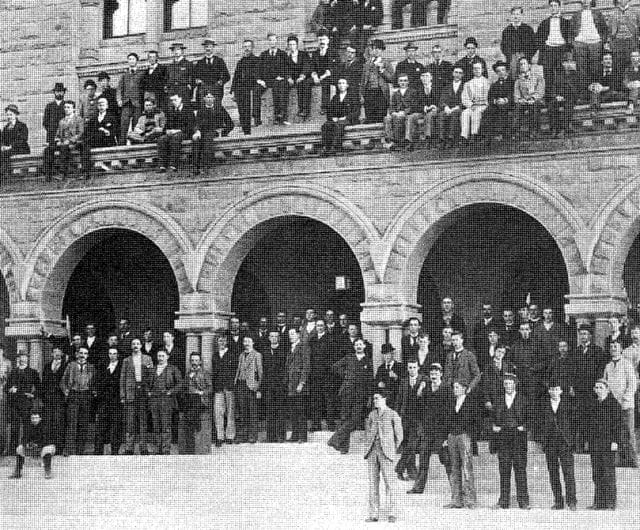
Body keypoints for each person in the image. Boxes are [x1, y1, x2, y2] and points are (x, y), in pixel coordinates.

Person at [408, 363, 452, 494]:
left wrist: (447, 434)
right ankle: (418, 487)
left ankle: (455, 488)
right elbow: (419, 407)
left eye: (436, 373)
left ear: (441, 374)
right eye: (431, 374)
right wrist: (419, 391)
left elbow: (450, 412)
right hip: (427, 430)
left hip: (441, 431)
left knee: (446, 460)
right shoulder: (426, 389)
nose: (433, 376)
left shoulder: (446, 389)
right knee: (423, 459)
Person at [491, 373, 530, 510]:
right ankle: (504, 501)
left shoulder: (523, 399)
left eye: (510, 383)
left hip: (518, 437)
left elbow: (530, 417)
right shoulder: (499, 400)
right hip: (503, 437)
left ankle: (523, 501)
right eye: (505, 383)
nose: (508, 386)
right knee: (504, 469)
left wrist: (524, 427)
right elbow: (492, 418)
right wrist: (494, 427)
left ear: (515, 384)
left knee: (520, 469)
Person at [364, 390, 403, 524]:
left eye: (378, 398)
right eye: (374, 399)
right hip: (372, 452)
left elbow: (399, 436)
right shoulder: (371, 415)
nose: (375, 401)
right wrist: (369, 446)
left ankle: (392, 513)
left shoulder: (393, 414)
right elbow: (368, 431)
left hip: (386, 452)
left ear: (385, 399)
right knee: (373, 484)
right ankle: (373, 514)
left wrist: (391, 448)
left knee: (390, 484)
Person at [328, 337, 373, 454]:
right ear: (354, 347)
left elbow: (370, 380)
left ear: (364, 346)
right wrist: (346, 375)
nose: (358, 346)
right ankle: (343, 447)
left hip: (360, 394)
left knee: (354, 419)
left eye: (360, 344)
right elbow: (334, 367)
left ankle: (335, 439)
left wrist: (369, 397)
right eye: (356, 344)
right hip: (347, 392)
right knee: (345, 418)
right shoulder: (349, 358)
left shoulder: (368, 361)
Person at [541, 381, 578, 510]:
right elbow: (538, 424)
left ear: (561, 391)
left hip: (565, 443)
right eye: (551, 389)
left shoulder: (568, 405)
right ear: (549, 391)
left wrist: (572, 440)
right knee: (553, 473)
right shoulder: (544, 405)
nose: (554, 392)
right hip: (550, 443)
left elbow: (575, 424)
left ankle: (571, 501)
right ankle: (558, 501)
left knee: (568, 473)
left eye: (556, 389)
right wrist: (543, 441)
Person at [588, 379, 623, 510]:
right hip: (595, 443)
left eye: (601, 387)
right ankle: (598, 502)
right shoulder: (594, 404)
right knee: (597, 473)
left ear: (607, 389)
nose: (598, 390)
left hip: (608, 443)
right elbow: (589, 424)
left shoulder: (614, 405)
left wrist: (615, 441)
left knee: (608, 473)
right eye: (596, 387)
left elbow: (618, 425)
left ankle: (610, 503)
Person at [603, 341, 637, 467]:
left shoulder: (627, 364)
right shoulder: (608, 366)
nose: (613, 349)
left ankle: (632, 460)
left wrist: (625, 398)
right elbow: (605, 384)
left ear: (621, 349)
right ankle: (618, 460)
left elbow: (632, 384)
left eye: (616, 347)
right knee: (616, 432)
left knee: (628, 432)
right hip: (613, 405)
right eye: (611, 347)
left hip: (626, 405)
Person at [445, 380, 478, 509]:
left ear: (464, 388)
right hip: (452, 436)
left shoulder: (470, 403)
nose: (455, 389)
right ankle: (456, 500)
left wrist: (470, 435)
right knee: (454, 468)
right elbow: (446, 420)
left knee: (466, 468)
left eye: (457, 387)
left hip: (464, 436)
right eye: (454, 387)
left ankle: (470, 499)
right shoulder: (452, 403)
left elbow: (476, 421)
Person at [60, 348, 96, 456]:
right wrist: (66, 391)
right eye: (81, 353)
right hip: (74, 394)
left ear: (88, 356)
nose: (82, 355)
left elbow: (95, 381)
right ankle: (69, 450)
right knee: (72, 422)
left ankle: (80, 450)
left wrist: (93, 392)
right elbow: (63, 381)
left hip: (85, 396)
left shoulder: (91, 367)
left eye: (85, 353)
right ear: (77, 354)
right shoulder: (71, 366)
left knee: (83, 423)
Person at [120, 338, 153, 455]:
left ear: (141, 345)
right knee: (130, 421)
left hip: (143, 392)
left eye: (138, 344)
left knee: (143, 421)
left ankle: (143, 448)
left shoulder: (147, 359)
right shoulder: (126, 360)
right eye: (133, 344)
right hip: (130, 393)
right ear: (131, 346)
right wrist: (123, 395)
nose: (135, 346)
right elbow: (122, 378)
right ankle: (129, 448)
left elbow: (151, 376)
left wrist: (150, 391)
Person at [395, 359, 426, 481]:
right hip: (405, 417)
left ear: (418, 368)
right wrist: (397, 416)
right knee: (408, 445)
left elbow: (428, 382)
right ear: (407, 369)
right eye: (410, 368)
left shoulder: (424, 380)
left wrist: (422, 385)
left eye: (414, 367)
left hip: (418, 418)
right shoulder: (403, 382)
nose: (412, 370)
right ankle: (412, 472)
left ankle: (399, 468)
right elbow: (399, 399)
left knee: (412, 445)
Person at [570, 0, 608, 99]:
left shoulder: (597, 14)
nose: (585, 2)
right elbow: (570, 31)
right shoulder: (576, 15)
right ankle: (584, 94)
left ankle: (596, 94)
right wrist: (574, 43)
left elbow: (604, 29)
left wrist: (601, 41)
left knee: (596, 67)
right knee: (582, 68)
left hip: (595, 42)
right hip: (580, 43)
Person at [191, 89, 234, 174]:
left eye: (211, 97)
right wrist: (197, 131)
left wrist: (223, 132)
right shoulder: (201, 110)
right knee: (196, 140)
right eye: (207, 97)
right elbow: (196, 123)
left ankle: (205, 165)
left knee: (207, 139)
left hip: (214, 131)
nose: (209, 99)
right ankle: (195, 166)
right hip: (203, 131)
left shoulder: (220, 109)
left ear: (214, 99)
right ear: (204, 99)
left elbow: (230, 124)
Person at [148, 349, 182, 455]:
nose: (160, 358)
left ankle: (166, 449)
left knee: (166, 425)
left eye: (162, 356)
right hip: (154, 400)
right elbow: (146, 383)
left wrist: (171, 392)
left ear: (167, 356)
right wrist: (148, 392)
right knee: (156, 424)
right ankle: (157, 448)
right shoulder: (153, 369)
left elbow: (180, 383)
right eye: (159, 356)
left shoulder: (173, 369)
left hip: (167, 400)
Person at [537, 0, 572, 101]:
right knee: (548, 73)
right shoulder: (544, 23)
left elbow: (570, 37)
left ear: (559, 7)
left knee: (561, 73)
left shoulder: (566, 22)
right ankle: (550, 97)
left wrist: (567, 49)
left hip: (562, 49)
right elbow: (538, 38)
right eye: (551, 6)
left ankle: (562, 95)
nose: (553, 8)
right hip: (548, 49)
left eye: (555, 5)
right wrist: (543, 47)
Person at [7, 352, 41, 454]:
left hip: (26, 403)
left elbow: (39, 387)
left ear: (27, 359)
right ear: (18, 359)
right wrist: (10, 389)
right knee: (14, 426)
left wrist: (33, 395)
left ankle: (25, 448)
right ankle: (13, 450)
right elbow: (6, 387)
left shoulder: (33, 372)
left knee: (27, 426)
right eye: (20, 357)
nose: (22, 359)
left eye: (24, 357)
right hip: (15, 403)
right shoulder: (13, 372)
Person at [8, 407, 56, 480]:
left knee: (47, 449)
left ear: (40, 418)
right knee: (19, 448)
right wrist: (25, 444)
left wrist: (37, 444)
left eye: (36, 418)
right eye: (32, 418)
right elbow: (24, 438)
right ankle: (17, 472)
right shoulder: (28, 426)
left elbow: (47, 440)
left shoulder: (46, 426)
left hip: (45, 446)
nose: (34, 420)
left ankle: (48, 471)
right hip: (33, 447)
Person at [94, 347, 123, 455]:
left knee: (115, 426)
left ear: (118, 355)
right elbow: (97, 381)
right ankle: (98, 451)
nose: (112, 356)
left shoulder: (122, 367)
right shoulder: (103, 366)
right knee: (101, 426)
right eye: (110, 353)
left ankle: (115, 451)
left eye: (114, 353)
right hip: (104, 401)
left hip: (116, 401)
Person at [156, 92, 195, 173]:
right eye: (172, 100)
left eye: (175, 100)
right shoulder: (171, 110)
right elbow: (167, 125)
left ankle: (173, 165)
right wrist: (167, 131)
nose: (174, 102)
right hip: (173, 133)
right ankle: (162, 165)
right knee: (162, 139)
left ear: (181, 99)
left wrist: (177, 131)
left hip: (185, 132)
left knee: (175, 138)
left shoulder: (188, 110)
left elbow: (190, 126)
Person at [182, 352, 212, 454]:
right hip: (190, 399)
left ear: (200, 361)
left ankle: (194, 446)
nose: (194, 362)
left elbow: (210, 387)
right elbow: (185, 386)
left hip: (200, 399)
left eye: (196, 360)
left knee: (191, 416)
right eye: (192, 360)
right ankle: (190, 447)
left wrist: (201, 392)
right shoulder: (188, 373)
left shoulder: (205, 373)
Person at [234, 336, 263, 444]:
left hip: (251, 386)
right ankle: (243, 435)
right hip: (241, 385)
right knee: (242, 412)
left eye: (248, 341)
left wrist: (258, 388)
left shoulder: (257, 355)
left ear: (253, 342)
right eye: (244, 341)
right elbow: (239, 369)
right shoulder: (241, 355)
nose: (246, 343)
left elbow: (260, 372)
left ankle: (252, 436)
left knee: (252, 412)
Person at [257, 33, 289, 125]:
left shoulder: (282, 54)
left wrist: (282, 76)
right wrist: (259, 80)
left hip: (280, 79)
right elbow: (258, 69)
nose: (272, 42)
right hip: (268, 80)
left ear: (277, 41)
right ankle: (258, 118)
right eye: (270, 40)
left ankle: (280, 114)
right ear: (268, 42)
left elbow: (287, 67)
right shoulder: (263, 55)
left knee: (280, 87)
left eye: (274, 40)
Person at [231, 39, 263, 134]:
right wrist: (233, 90)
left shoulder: (257, 60)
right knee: (242, 112)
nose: (247, 49)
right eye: (245, 47)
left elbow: (258, 75)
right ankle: (245, 130)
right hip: (240, 90)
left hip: (251, 88)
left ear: (252, 48)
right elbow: (236, 77)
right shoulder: (240, 62)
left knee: (249, 110)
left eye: (248, 46)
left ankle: (250, 129)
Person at [384, 73, 421, 151]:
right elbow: (392, 106)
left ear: (408, 82)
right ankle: (390, 140)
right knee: (387, 118)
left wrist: (404, 112)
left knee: (402, 118)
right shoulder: (395, 93)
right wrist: (393, 112)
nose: (403, 83)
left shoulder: (413, 92)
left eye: (405, 81)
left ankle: (403, 142)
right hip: (397, 114)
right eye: (401, 81)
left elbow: (414, 106)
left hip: (408, 113)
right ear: (398, 82)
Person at [211, 334, 237, 446]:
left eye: (223, 341)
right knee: (218, 412)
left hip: (229, 387)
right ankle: (219, 436)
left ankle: (230, 436)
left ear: (226, 342)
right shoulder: (215, 356)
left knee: (230, 412)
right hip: (218, 387)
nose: (221, 343)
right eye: (219, 341)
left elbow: (235, 371)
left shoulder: (232, 355)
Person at [361, 39, 394, 124]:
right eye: (374, 48)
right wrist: (361, 94)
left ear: (382, 50)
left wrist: (382, 71)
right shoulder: (367, 64)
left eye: (378, 49)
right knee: (370, 118)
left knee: (380, 118)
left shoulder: (386, 63)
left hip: (381, 93)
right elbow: (363, 80)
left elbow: (392, 79)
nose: (376, 51)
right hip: (369, 93)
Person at [49, 100, 85, 179]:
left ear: (74, 109)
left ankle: (62, 173)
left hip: (74, 143)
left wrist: (70, 140)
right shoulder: (62, 121)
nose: (66, 109)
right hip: (63, 143)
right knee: (48, 149)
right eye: (65, 107)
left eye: (68, 107)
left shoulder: (79, 119)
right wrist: (57, 140)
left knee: (64, 147)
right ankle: (48, 173)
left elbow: (80, 133)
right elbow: (58, 134)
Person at [286, 328, 310, 443]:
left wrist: (302, 382)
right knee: (293, 411)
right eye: (289, 334)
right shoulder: (291, 348)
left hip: (299, 385)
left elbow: (306, 366)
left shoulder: (303, 346)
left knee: (301, 411)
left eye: (292, 334)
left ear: (298, 335)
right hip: (291, 384)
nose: (290, 336)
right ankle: (295, 435)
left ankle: (302, 436)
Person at [262, 330, 287, 443]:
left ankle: (281, 436)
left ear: (279, 338)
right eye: (271, 336)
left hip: (280, 385)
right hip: (268, 386)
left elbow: (286, 369)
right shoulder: (265, 351)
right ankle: (270, 437)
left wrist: (284, 383)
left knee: (281, 410)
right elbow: (262, 370)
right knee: (270, 410)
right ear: (268, 338)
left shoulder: (284, 351)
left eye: (276, 336)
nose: (274, 338)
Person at [40, 347, 67, 452]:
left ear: (62, 353)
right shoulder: (47, 366)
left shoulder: (66, 366)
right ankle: (48, 447)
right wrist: (44, 396)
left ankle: (59, 448)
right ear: (51, 354)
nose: (57, 354)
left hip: (60, 399)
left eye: (59, 351)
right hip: (48, 399)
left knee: (59, 422)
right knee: (48, 423)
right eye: (54, 352)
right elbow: (44, 383)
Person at [514, 56, 545, 140]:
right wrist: (520, 99)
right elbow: (516, 93)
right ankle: (516, 131)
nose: (522, 66)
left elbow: (540, 90)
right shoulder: (518, 81)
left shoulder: (538, 77)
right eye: (520, 65)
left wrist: (533, 98)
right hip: (524, 101)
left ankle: (533, 131)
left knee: (534, 107)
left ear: (529, 66)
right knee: (517, 107)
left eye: (524, 64)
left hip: (536, 100)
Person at [501, 7, 537, 78]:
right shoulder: (506, 31)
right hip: (512, 58)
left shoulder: (528, 29)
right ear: (511, 16)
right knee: (513, 78)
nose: (516, 16)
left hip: (525, 57)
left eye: (518, 14)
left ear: (521, 15)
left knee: (526, 78)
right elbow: (503, 46)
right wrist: (510, 57)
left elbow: (534, 45)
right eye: (513, 14)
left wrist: (528, 57)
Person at [483, 61, 514, 144]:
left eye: (503, 70)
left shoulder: (512, 82)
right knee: (488, 110)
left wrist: (505, 100)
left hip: (509, 104)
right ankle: (489, 135)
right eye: (498, 71)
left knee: (503, 109)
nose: (501, 73)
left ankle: (502, 134)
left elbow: (514, 94)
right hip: (496, 104)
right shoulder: (494, 85)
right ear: (496, 73)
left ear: (506, 71)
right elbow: (490, 97)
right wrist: (496, 101)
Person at [460, 61, 491, 145]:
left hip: (484, 105)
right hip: (473, 105)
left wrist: (485, 103)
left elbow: (490, 96)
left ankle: (474, 134)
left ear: (482, 70)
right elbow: (465, 98)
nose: (476, 70)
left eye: (478, 68)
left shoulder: (488, 82)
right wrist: (471, 105)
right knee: (465, 113)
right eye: (475, 69)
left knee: (476, 112)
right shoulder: (468, 83)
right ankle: (464, 136)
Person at [549, 52, 579, 138]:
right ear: (563, 64)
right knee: (552, 104)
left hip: (572, 97)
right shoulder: (558, 75)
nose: (569, 64)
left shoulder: (576, 75)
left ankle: (564, 129)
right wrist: (556, 96)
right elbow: (554, 87)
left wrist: (566, 95)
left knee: (568, 105)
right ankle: (554, 129)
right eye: (567, 62)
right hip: (560, 97)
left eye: (571, 62)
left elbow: (577, 89)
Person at [193, 39, 230, 105]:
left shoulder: (219, 61)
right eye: (206, 47)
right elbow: (195, 76)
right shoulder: (200, 63)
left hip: (216, 90)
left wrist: (220, 82)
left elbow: (227, 76)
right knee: (204, 110)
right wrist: (197, 80)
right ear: (204, 48)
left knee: (216, 110)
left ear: (213, 48)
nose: (208, 49)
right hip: (203, 90)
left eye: (210, 47)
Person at [311, 32, 340, 116]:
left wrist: (327, 73)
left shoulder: (333, 52)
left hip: (330, 75)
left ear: (328, 40)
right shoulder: (315, 53)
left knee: (329, 82)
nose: (322, 41)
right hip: (319, 76)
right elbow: (312, 67)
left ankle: (331, 106)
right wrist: (314, 75)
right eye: (320, 39)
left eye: (323, 39)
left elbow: (338, 65)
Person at [85, 97, 118, 172]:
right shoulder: (93, 118)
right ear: (97, 106)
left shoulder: (111, 118)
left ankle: (105, 164)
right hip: (96, 140)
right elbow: (89, 131)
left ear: (107, 106)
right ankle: (88, 168)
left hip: (108, 140)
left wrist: (107, 131)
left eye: (103, 105)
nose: (101, 107)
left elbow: (115, 130)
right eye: (99, 105)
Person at [42, 83, 67, 178]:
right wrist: (53, 132)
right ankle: (48, 174)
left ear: (64, 92)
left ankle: (62, 173)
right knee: (48, 151)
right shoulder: (49, 106)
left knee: (64, 150)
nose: (59, 93)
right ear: (54, 93)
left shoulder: (66, 105)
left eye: (61, 91)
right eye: (57, 91)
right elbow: (45, 122)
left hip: (64, 136)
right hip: (52, 136)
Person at [608, 0, 640, 74]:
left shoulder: (636, 12)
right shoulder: (612, 13)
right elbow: (610, 29)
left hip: (631, 41)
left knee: (632, 64)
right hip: (617, 42)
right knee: (619, 65)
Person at [0, 104, 30, 182]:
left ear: (16, 115)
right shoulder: (6, 127)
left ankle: (5, 176)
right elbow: (3, 139)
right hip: (10, 150)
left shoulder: (22, 126)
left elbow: (23, 139)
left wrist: (11, 146)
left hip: (22, 149)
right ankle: (5, 174)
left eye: (11, 114)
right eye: (7, 115)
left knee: (4, 153)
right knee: (3, 152)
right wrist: (2, 146)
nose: (9, 117)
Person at [286, 34, 312, 120]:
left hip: (304, 76)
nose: (292, 46)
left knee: (304, 84)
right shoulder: (286, 57)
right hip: (294, 78)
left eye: (293, 44)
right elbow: (285, 68)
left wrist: (302, 75)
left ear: (297, 45)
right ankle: (300, 109)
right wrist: (288, 77)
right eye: (290, 45)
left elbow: (307, 66)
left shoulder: (303, 54)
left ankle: (305, 109)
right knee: (297, 84)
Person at [437, 66, 464, 148]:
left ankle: (451, 139)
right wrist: (445, 107)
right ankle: (442, 139)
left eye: (460, 73)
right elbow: (442, 100)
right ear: (453, 73)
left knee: (455, 114)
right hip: (448, 108)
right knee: (442, 114)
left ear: (462, 75)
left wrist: (457, 107)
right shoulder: (447, 86)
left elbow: (466, 100)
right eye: (456, 72)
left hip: (459, 108)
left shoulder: (465, 86)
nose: (457, 75)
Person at [374, 343, 403, 409]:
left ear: (392, 354)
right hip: (384, 400)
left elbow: (405, 382)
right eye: (384, 354)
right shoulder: (380, 368)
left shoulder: (400, 366)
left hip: (396, 399)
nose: (386, 356)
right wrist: (378, 383)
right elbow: (375, 382)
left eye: (388, 354)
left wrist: (396, 377)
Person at [165, 42, 194, 108]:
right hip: (172, 91)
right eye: (174, 50)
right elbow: (167, 79)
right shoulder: (170, 66)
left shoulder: (188, 64)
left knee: (184, 110)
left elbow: (192, 79)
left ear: (182, 51)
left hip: (183, 91)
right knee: (172, 110)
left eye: (178, 49)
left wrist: (189, 90)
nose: (176, 52)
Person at [416, 71, 439, 146]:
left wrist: (434, 106)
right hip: (422, 111)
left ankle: (428, 138)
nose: (425, 78)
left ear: (431, 78)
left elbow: (441, 100)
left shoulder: (437, 87)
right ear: (420, 78)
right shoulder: (417, 89)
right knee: (411, 117)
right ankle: (408, 141)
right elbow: (415, 103)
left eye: (427, 76)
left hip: (435, 110)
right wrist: (424, 107)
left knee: (429, 116)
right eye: (423, 76)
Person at [0, 345, 12, 456]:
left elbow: (10, 379)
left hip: (3, 395)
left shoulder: (7, 363)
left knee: (2, 422)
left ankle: (3, 447)